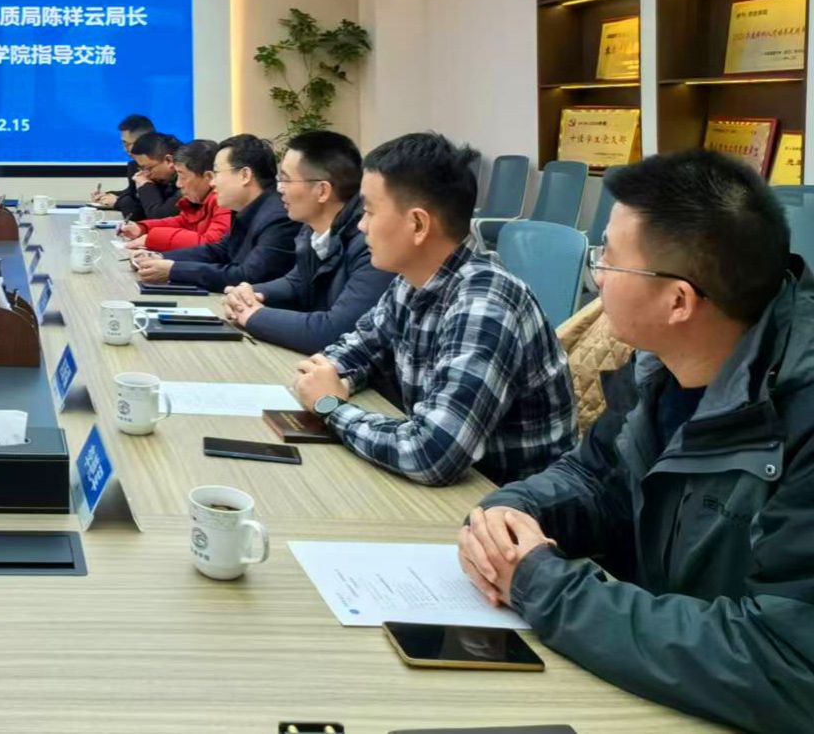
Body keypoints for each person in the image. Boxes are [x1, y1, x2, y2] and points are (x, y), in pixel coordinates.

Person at [457, 151, 814, 732]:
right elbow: (592, 475)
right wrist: (511, 514)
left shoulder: (800, 413)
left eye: (610, 258)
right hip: (657, 686)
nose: (596, 276)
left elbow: (784, 661)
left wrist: (544, 585)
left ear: (678, 301)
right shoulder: (660, 368)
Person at [291, 132, 575, 486]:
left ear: (418, 224)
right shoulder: (412, 280)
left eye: (370, 211)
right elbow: (358, 350)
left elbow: (431, 454)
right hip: (456, 487)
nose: (361, 225)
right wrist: (329, 379)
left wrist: (331, 406)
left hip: (505, 501)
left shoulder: (485, 304)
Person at [223, 131, 393, 353]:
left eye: (286, 179)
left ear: (322, 191)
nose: (279, 188)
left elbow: (335, 331)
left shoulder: (371, 243)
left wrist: (252, 315)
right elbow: (296, 282)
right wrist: (249, 292)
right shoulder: (312, 231)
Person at [133, 133, 297, 290]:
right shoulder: (245, 208)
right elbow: (219, 250)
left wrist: (174, 270)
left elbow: (248, 276)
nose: (212, 182)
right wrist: (161, 258)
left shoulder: (279, 218)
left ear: (244, 175)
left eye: (217, 173)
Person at [118, 139, 232, 252]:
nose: (178, 184)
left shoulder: (223, 201)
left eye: (183, 177)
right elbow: (182, 222)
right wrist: (142, 228)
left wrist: (153, 238)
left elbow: (211, 244)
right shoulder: (199, 199)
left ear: (208, 177)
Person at [112, 131, 182, 222]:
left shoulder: (188, 180)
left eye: (148, 168)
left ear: (169, 160)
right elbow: (135, 215)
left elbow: (160, 218)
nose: (145, 174)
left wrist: (146, 185)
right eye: (142, 169)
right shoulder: (162, 179)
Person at [91, 113, 154, 211]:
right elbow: (131, 193)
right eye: (123, 143)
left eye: (128, 144)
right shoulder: (134, 166)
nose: (125, 149)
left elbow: (149, 207)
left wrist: (118, 202)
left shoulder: (163, 168)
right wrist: (106, 196)